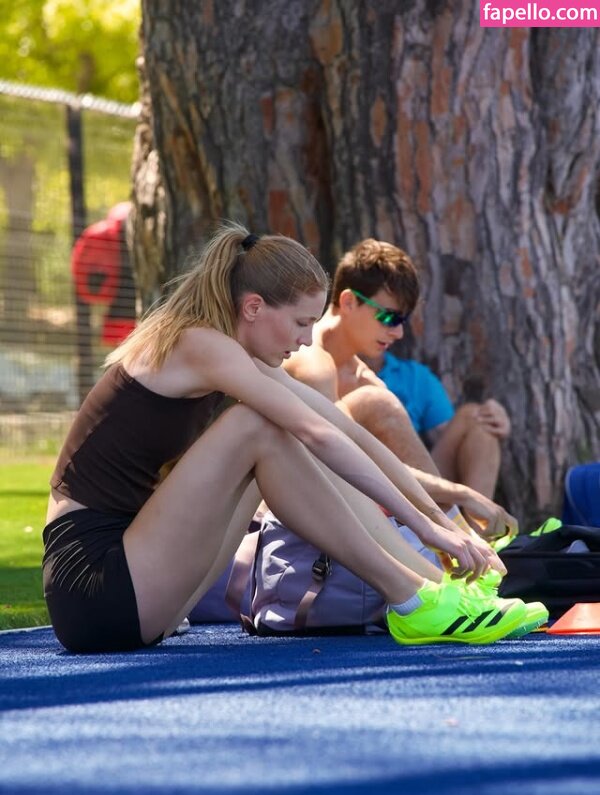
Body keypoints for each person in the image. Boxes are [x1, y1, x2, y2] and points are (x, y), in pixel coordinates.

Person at [42, 223, 530, 655]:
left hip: (144, 592)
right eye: (301, 323)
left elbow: (346, 431)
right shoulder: (199, 344)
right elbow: (316, 434)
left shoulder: (235, 355)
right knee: (258, 426)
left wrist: (440, 520)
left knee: (275, 439)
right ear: (253, 307)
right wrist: (427, 529)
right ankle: (411, 599)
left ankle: (434, 587)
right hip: (95, 589)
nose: (306, 340)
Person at [284, 238, 515, 540]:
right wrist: (460, 493)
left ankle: (471, 540)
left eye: (403, 320)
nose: (399, 332)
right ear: (349, 302)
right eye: (389, 317)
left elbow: (400, 462)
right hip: (306, 510)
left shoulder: (364, 377)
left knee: (476, 419)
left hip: (371, 501)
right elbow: (343, 460)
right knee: (376, 402)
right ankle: (462, 542)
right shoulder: (311, 362)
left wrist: (496, 423)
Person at [368, 352, 510, 499]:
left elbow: (455, 438)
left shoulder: (414, 376)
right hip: (368, 489)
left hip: (417, 485)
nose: (395, 337)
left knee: (476, 420)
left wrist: (495, 421)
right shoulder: (354, 379)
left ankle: (479, 512)